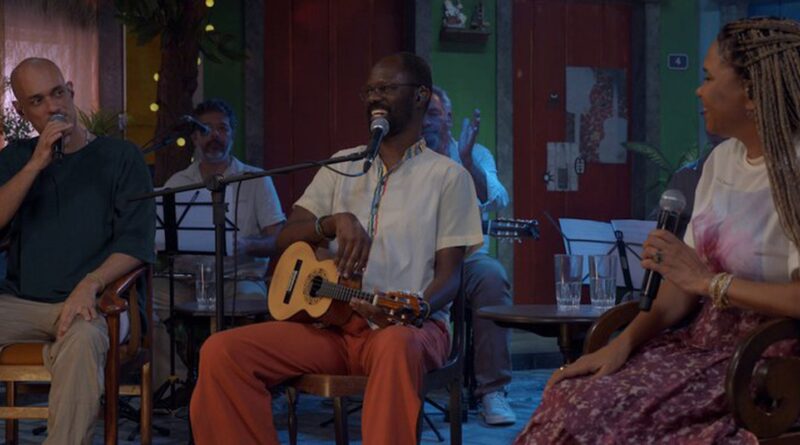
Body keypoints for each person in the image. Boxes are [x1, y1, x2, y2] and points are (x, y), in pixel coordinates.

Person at [515, 18, 800, 444]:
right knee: (570, 397)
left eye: (707, 78)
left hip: (763, 360)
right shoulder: (721, 161)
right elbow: (682, 288)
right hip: (699, 345)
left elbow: (707, 282)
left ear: (753, 92)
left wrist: (711, 282)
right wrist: (623, 342)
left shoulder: (794, 172)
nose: (698, 90)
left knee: (622, 422)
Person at [189, 52, 483, 444]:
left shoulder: (449, 177)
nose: (375, 98)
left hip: (411, 330)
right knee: (222, 352)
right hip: (334, 325)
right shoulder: (341, 165)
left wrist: (419, 309)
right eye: (370, 90)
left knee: (396, 345)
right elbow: (285, 236)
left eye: (387, 88)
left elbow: (451, 276)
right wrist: (331, 221)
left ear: (420, 97)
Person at [0, 58, 154, 444]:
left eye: (57, 93)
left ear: (71, 89)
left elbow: (136, 243)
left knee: (81, 341)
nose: (53, 107)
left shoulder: (121, 158)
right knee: (73, 349)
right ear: (21, 111)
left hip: (95, 306)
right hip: (22, 305)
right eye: (37, 101)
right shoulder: (17, 159)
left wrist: (91, 282)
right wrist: (36, 164)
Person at [153, 98, 286, 388]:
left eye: (222, 129)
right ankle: (175, 384)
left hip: (238, 278)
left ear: (232, 134)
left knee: (250, 302)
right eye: (206, 129)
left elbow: (280, 239)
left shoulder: (255, 179)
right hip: (186, 282)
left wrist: (248, 244)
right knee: (141, 301)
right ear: (194, 137)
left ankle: (238, 386)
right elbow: (161, 236)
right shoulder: (177, 182)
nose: (215, 136)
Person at [422, 85, 515, 425]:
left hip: (465, 259)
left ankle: (492, 391)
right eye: (421, 114)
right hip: (417, 261)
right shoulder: (405, 154)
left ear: (448, 118)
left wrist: (465, 159)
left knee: (492, 277)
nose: (426, 123)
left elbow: (496, 198)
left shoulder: (475, 154)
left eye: (433, 115)